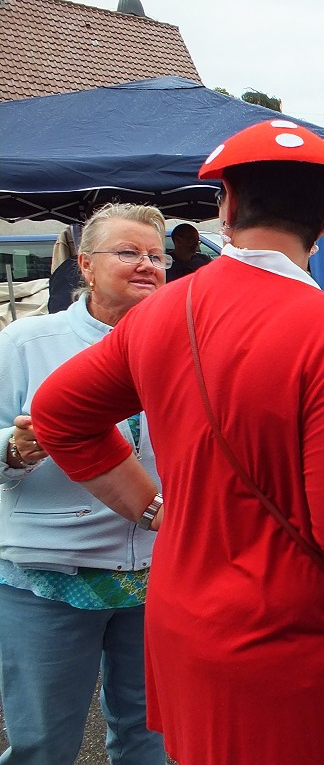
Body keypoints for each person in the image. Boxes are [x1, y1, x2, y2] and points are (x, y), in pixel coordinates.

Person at [31, 120, 324, 765]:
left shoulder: (160, 311)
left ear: (228, 206)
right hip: (299, 648)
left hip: (188, 629)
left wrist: (152, 507)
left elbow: (57, 415)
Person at [0, 202, 168, 765]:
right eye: (128, 252)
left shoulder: (182, 345)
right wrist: (13, 449)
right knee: (44, 742)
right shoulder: (27, 343)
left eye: (156, 254)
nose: (147, 264)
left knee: (150, 736)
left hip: (155, 573)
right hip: (48, 574)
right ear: (85, 266)